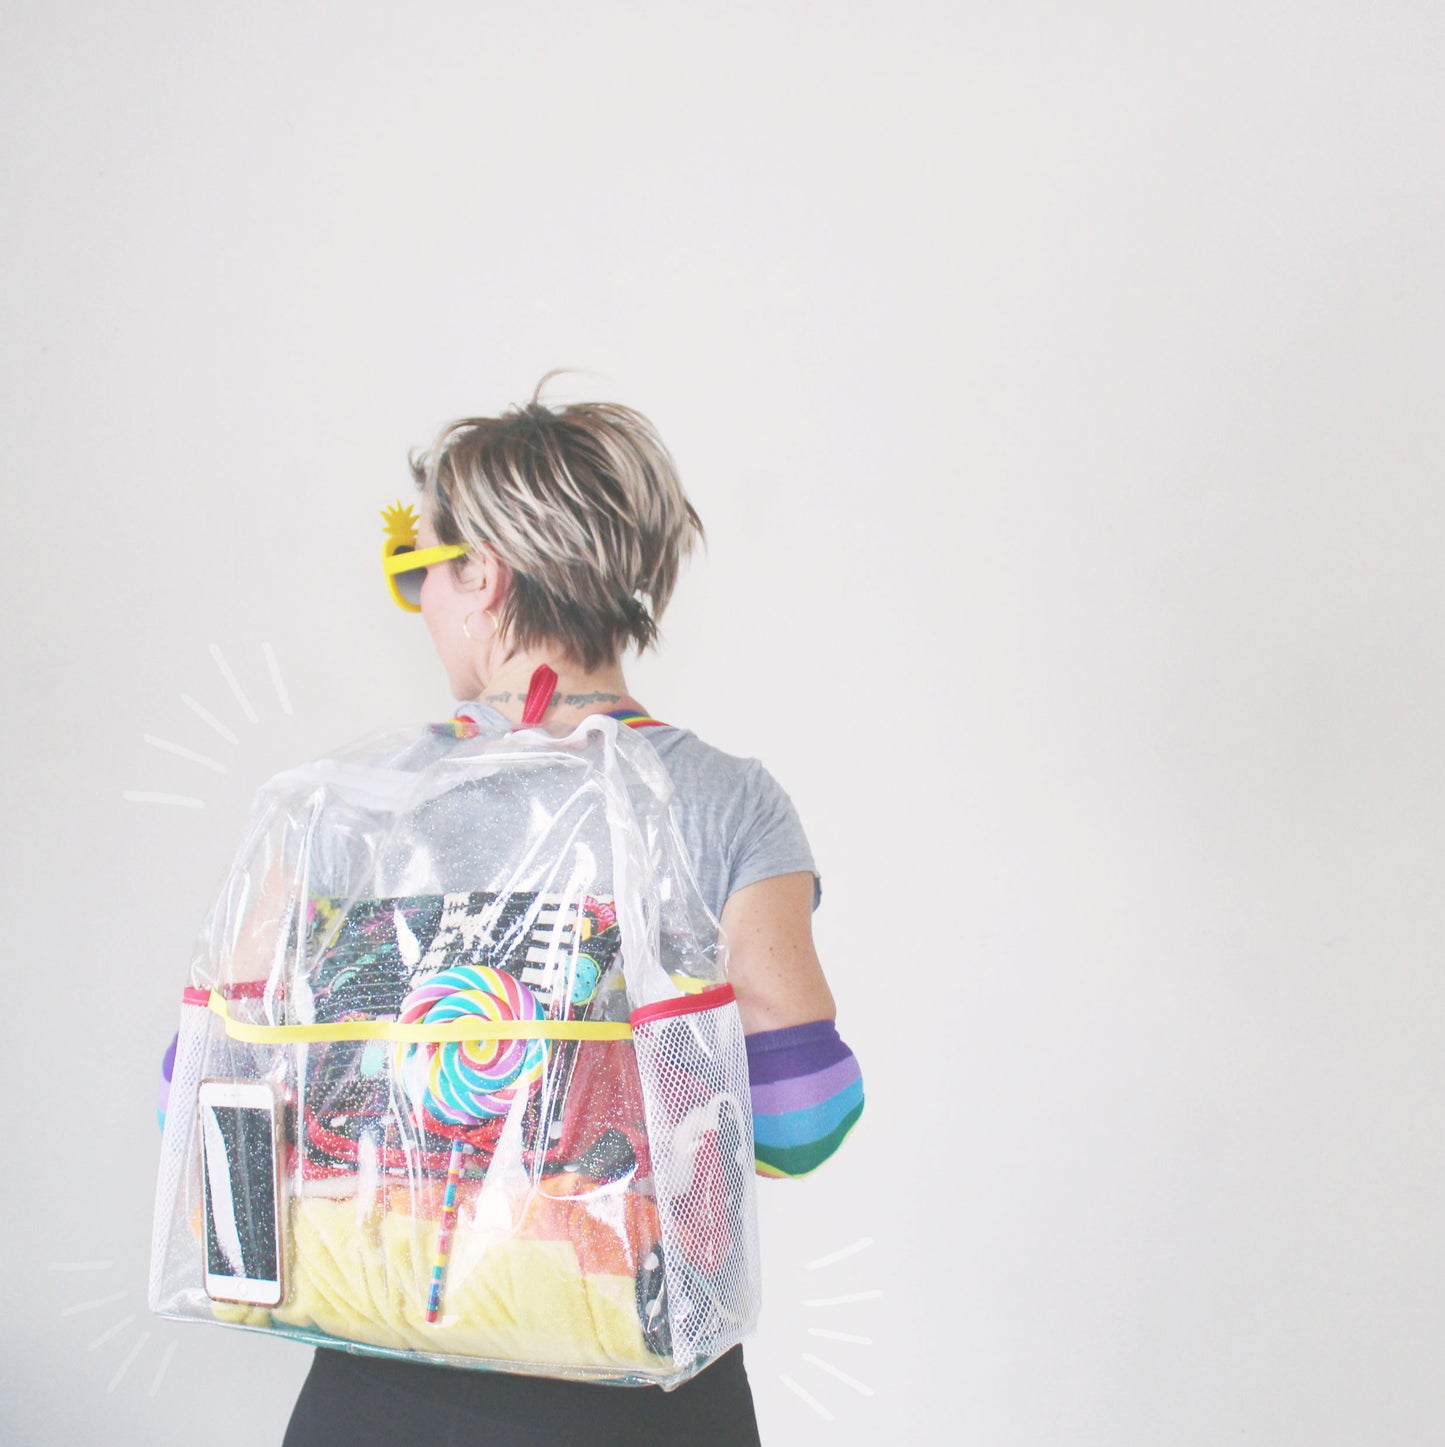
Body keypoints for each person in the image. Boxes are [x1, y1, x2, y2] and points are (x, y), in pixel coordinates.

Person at [165, 376, 864, 1445]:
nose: (424, 606)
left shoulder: (334, 814)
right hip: (639, 1392)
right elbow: (801, 1126)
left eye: (421, 574)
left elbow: (198, 1114)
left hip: (376, 1389)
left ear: (481, 576)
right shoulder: (724, 800)